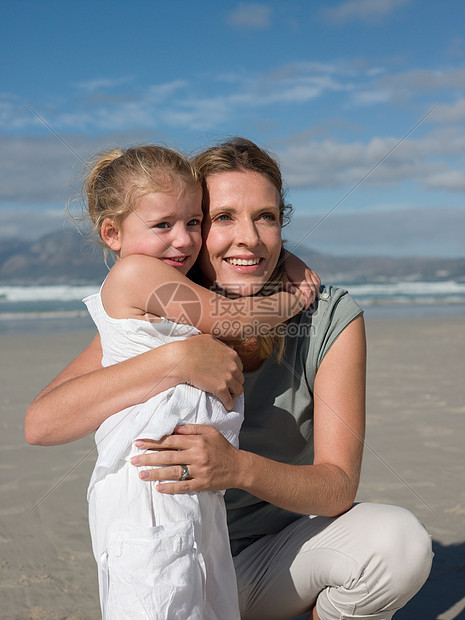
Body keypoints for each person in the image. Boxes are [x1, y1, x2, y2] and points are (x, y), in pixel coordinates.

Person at [26, 138, 433, 620]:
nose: (250, 238)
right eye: (222, 218)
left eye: (266, 217)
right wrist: (174, 360)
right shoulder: (163, 315)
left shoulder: (326, 315)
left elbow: (337, 490)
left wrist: (236, 468)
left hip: (275, 564)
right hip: (175, 547)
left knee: (397, 545)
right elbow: (41, 424)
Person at [74, 144, 315, 619]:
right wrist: (294, 296)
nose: (182, 240)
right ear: (112, 234)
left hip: (193, 488)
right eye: (162, 225)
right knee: (157, 602)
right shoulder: (134, 274)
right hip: (147, 489)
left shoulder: (167, 288)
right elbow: (235, 320)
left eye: (192, 222)